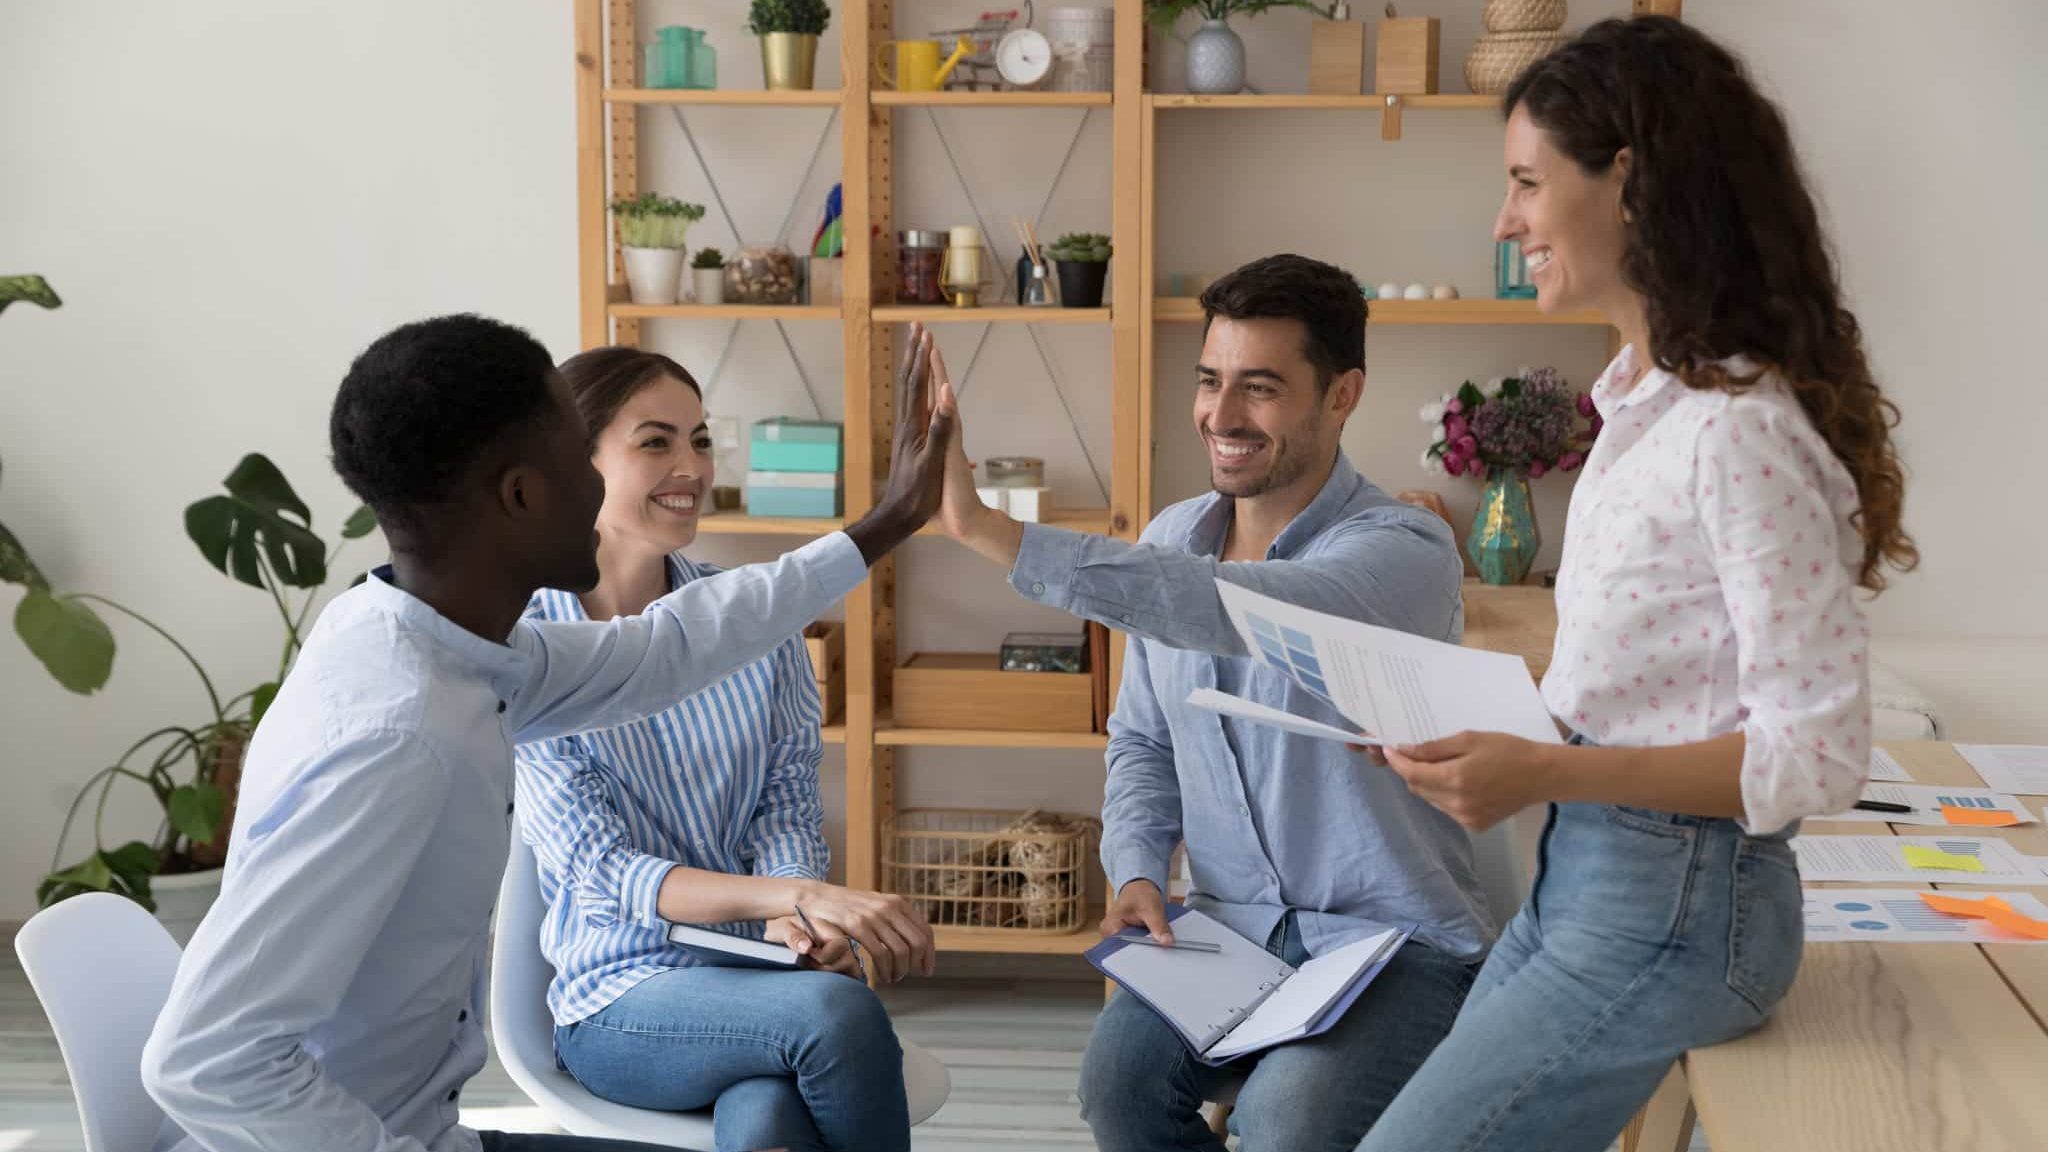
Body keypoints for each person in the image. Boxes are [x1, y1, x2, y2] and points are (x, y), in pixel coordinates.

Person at [141, 315, 954, 1152]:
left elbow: (668, 647)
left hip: (435, 1132)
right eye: (581, 461)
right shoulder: (394, 739)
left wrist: (889, 520)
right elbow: (206, 1060)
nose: (604, 492)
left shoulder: (451, 650)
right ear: (524, 494)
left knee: (770, 1122)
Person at [1354, 17, 1917, 1151]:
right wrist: (1486, 723)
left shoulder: (1734, 433)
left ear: (1632, 183)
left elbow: (1814, 756)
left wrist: (1545, 766)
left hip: (1676, 915)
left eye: (1524, 182)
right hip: (1589, 889)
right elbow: (1653, 681)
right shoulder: (1636, 407)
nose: (1502, 221)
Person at [935, 255, 1490, 1152]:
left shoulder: (1404, 550)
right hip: (1230, 931)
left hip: (1393, 946)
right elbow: (1144, 744)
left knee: (1285, 1122)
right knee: (1116, 1088)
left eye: (1260, 389)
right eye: (1210, 381)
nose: (1221, 417)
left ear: (1342, 394)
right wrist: (1140, 870)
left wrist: (990, 531)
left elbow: (1241, 609)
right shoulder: (1169, 540)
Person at [516, 347, 932, 1152]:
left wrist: (799, 925)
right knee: (837, 1017)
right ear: (578, 460)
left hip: (757, 980)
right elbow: (606, 874)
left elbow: (784, 800)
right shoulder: (530, 649)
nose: (691, 467)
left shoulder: (749, 620)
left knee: (769, 1124)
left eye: (701, 440)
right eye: (656, 442)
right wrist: (793, 899)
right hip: (621, 999)